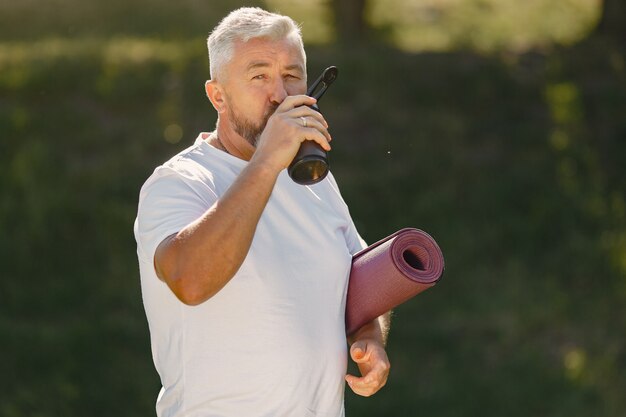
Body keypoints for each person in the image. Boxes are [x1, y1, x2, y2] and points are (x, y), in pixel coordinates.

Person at [134, 7, 391, 416]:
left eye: (292, 75)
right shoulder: (179, 182)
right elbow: (191, 281)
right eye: (259, 76)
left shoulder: (315, 179)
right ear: (218, 95)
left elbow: (361, 277)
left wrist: (369, 335)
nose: (280, 94)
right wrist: (267, 162)